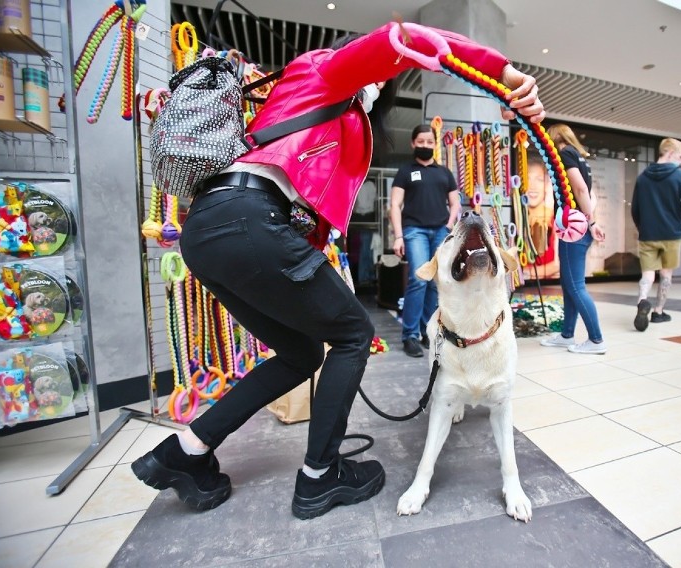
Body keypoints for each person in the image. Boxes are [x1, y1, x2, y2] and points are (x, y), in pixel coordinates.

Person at [130, 21, 547, 518]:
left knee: (299, 351)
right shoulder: (326, 69)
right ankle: (319, 477)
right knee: (354, 332)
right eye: (378, 80)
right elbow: (407, 39)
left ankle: (188, 451)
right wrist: (503, 72)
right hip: (249, 220)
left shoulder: (327, 110)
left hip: (212, 231)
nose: (377, 90)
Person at [390, 124, 461, 358]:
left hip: (440, 232)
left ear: (435, 144)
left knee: (434, 283)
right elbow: (394, 206)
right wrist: (398, 236)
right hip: (414, 232)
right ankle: (409, 335)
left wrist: (449, 226)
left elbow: (455, 203)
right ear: (413, 143)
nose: (425, 145)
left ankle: (427, 332)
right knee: (418, 280)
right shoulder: (405, 171)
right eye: (420, 141)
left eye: (429, 142)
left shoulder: (444, 173)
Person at [539, 124, 607, 354]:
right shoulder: (579, 157)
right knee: (569, 285)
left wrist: (591, 222)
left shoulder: (566, 153)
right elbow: (590, 193)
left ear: (555, 137)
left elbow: (579, 189)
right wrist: (591, 221)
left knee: (576, 286)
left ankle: (596, 340)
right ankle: (567, 335)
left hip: (573, 229)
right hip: (577, 227)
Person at [631, 137, 681, 331]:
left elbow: (635, 209)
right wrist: (678, 205)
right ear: (669, 153)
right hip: (671, 233)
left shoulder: (642, 178)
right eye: (680, 156)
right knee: (666, 274)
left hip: (648, 233)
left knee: (648, 274)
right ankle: (658, 312)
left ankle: (642, 301)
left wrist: (642, 226)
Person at [524, 153, 560, 279]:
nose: (532, 186)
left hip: (549, 290)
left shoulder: (555, 221)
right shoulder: (516, 220)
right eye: (527, 179)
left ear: (546, 185)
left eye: (539, 179)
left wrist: (524, 274)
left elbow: (557, 265)